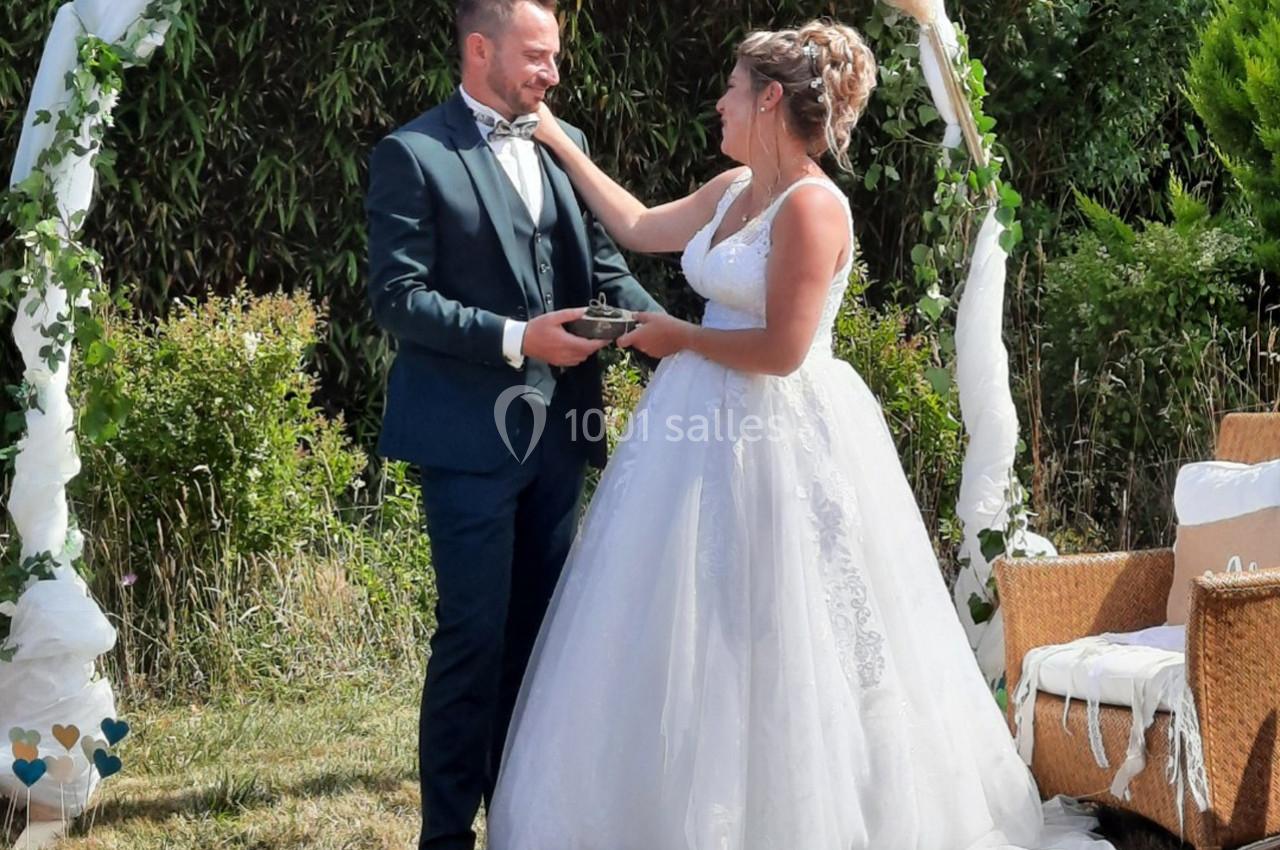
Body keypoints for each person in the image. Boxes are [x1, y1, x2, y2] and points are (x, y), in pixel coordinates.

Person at [486, 19, 1113, 850]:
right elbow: (637, 226)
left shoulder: (814, 207)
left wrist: (677, 335)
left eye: (732, 89)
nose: (719, 101)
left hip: (783, 433)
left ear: (769, 98)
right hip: (695, 435)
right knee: (686, 619)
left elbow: (783, 350)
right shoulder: (730, 189)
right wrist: (560, 142)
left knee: (792, 623)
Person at [363, 1, 663, 847]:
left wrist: (684, 347)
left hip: (561, 438)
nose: (553, 74)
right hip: (467, 442)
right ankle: (448, 835)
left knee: (542, 638)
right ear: (480, 49)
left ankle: (526, 821)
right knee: (473, 635)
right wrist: (515, 339)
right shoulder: (413, 154)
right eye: (537, 57)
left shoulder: (565, 148)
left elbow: (605, 273)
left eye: (556, 57)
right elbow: (399, 299)